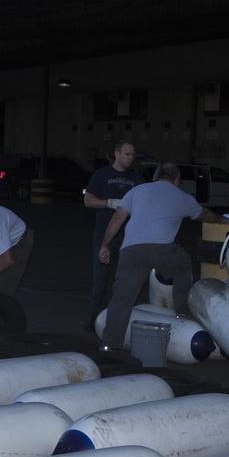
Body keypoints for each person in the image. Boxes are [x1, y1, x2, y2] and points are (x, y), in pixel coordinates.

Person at [99, 163, 224, 352]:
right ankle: (182, 312)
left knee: (121, 299)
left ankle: (109, 345)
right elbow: (206, 215)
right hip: (162, 251)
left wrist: (105, 245)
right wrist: (223, 219)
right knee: (183, 265)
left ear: (156, 177)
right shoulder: (182, 197)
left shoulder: (137, 190)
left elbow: (118, 218)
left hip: (131, 251)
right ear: (177, 180)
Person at [82, 141, 143, 329]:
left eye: (133, 155)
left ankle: (115, 321)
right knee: (101, 280)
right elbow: (88, 201)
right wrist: (109, 203)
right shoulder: (101, 175)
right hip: (103, 235)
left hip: (128, 237)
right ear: (116, 154)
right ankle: (94, 320)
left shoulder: (136, 179)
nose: (131, 157)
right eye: (127, 154)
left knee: (123, 281)